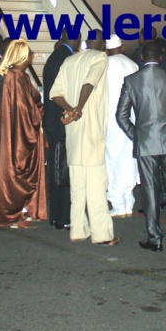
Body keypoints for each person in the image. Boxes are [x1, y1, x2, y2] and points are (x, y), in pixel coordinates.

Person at [117, 41, 166, 251]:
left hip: (146, 143)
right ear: (161, 57)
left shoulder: (132, 81)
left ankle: (155, 238)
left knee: (150, 191)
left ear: (142, 57)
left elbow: (121, 116)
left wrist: (137, 135)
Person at [49, 37, 119, 246]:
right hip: (91, 132)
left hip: (73, 133)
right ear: (102, 45)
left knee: (77, 187)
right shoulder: (99, 58)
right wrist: (78, 108)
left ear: (85, 43)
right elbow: (90, 83)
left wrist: (70, 110)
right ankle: (102, 234)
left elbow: (55, 93)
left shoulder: (70, 60)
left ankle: (78, 229)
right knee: (97, 185)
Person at [0, 40, 46, 228]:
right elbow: (21, 109)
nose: (31, 57)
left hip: (24, 129)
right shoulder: (14, 77)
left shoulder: (20, 76)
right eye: (28, 54)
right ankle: (11, 214)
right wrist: (38, 114)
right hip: (19, 132)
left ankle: (24, 209)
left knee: (26, 171)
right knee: (16, 169)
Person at [43, 33, 78, 230]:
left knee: (58, 169)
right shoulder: (65, 59)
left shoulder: (57, 56)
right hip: (60, 122)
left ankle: (58, 215)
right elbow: (59, 93)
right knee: (62, 171)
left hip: (54, 120)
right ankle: (62, 216)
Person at [104, 36, 139, 217]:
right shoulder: (133, 64)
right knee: (129, 160)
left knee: (112, 159)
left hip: (112, 119)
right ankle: (129, 202)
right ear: (122, 47)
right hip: (132, 120)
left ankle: (117, 204)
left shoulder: (105, 65)